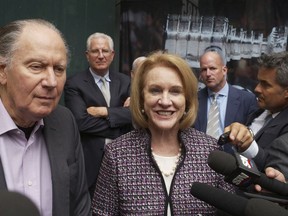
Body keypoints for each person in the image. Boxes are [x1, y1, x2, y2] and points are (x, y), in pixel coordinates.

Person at [91, 52, 234, 215]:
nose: (165, 102)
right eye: (155, 90)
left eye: (175, 91)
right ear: (141, 98)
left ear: (187, 100)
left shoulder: (210, 152)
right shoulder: (117, 155)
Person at [0, 19, 91, 216]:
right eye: (36, 67)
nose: (51, 82)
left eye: (59, 69)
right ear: (2, 71)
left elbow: (79, 205)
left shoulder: (64, 121)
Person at [64, 32, 133, 197]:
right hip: (90, 164)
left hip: (123, 160)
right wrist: (120, 126)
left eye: (105, 51)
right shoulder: (74, 83)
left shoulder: (125, 82)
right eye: (95, 51)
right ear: (87, 55)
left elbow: (135, 115)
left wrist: (105, 112)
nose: (101, 56)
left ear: (112, 54)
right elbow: (81, 122)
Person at [224, 51, 288, 178]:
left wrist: (248, 146)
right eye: (258, 82)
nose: (257, 89)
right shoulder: (256, 112)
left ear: (286, 92)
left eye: (266, 85)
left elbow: (274, 173)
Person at [193, 46, 258, 152]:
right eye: (204, 70)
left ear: (224, 70)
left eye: (213, 68)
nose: (208, 74)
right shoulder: (194, 100)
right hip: (199, 160)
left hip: (231, 163)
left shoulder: (246, 99)